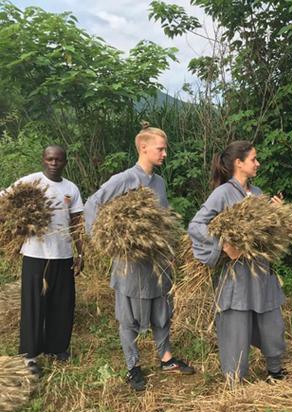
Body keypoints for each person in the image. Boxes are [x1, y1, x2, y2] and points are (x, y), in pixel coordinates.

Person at [83, 124, 195, 392]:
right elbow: (92, 205)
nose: (165, 153)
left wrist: (169, 252)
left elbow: (165, 220)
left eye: (165, 148)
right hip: (130, 265)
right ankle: (132, 367)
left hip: (157, 263)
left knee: (162, 311)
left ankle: (166, 358)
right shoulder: (124, 180)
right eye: (160, 148)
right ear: (143, 147)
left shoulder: (159, 183)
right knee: (128, 317)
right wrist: (107, 241)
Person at [188, 140, 286, 383]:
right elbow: (196, 225)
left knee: (271, 320)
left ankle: (274, 370)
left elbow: (265, 233)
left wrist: (276, 214)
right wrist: (223, 245)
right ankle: (235, 380)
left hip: (261, 270)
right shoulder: (222, 194)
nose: (258, 163)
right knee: (236, 324)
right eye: (253, 159)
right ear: (238, 163)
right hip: (237, 274)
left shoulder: (259, 193)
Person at [1, 145, 84, 375]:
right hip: (35, 256)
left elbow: (77, 223)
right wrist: (14, 223)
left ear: (65, 162)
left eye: (58, 160)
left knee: (62, 304)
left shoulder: (71, 189)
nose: (53, 163)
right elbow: (4, 202)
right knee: (33, 307)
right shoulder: (30, 182)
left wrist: (81, 253)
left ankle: (57, 348)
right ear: (43, 160)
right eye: (49, 159)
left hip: (63, 255)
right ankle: (29, 355)